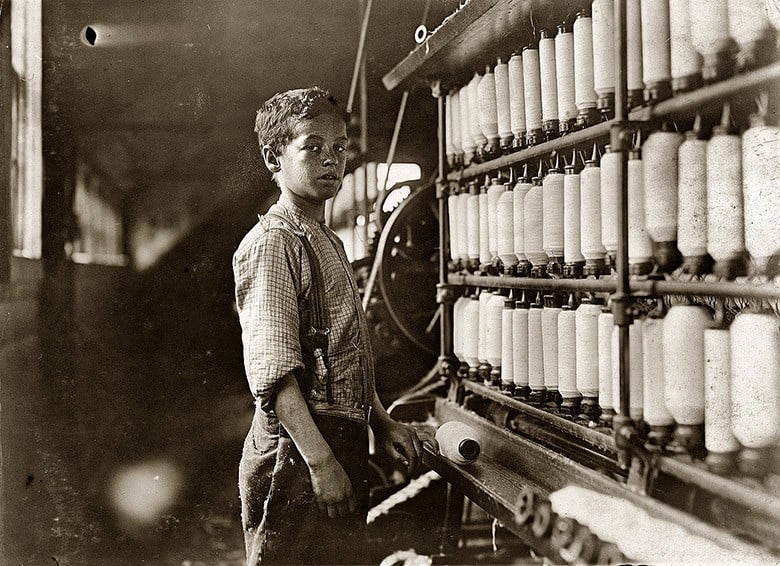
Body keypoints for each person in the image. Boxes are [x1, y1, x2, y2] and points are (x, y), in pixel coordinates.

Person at [233, 87, 431, 565]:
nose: (331, 160)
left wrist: (380, 423)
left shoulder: (324, 240)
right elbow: (275, 374)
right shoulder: (272, 244)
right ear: (273, 157)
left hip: (336, 439)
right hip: (295, 450)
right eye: (313, 147)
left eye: (340, 147)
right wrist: (320, 464)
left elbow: (348, 350)